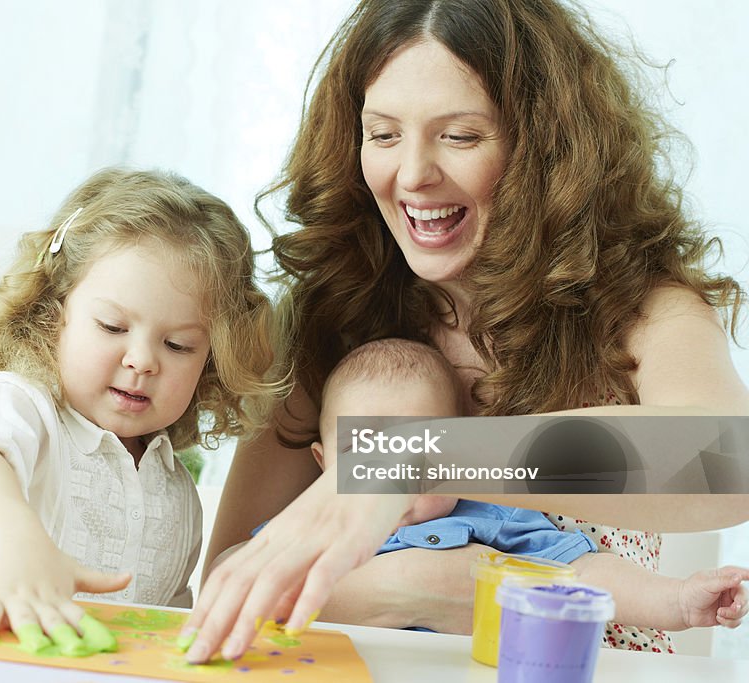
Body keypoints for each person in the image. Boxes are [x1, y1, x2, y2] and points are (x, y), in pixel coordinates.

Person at [183, 0, 749, 664]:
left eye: (459, 135)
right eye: (384, 133)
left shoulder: (643, 307)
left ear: (545, 147)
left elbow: (725, 461)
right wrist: (424, 584)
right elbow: (226, 586)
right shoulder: (330, 318)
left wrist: (403, 459)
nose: (414, 173)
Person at [0, 168, 283, 652]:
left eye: (178, 345)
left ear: (213, 359)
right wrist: (11, 538)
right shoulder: (20, 405)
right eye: (112, 326)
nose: (142, 360)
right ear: (53, 314)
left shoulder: (177, 493)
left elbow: (163, 626)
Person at [247, 338, 746, 640]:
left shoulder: (493, 518)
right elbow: (236, 579)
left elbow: (584, 573)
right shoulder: (310, 528)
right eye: (364, 455)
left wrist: (676, 601)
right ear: (322, 462)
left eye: (422, 453)